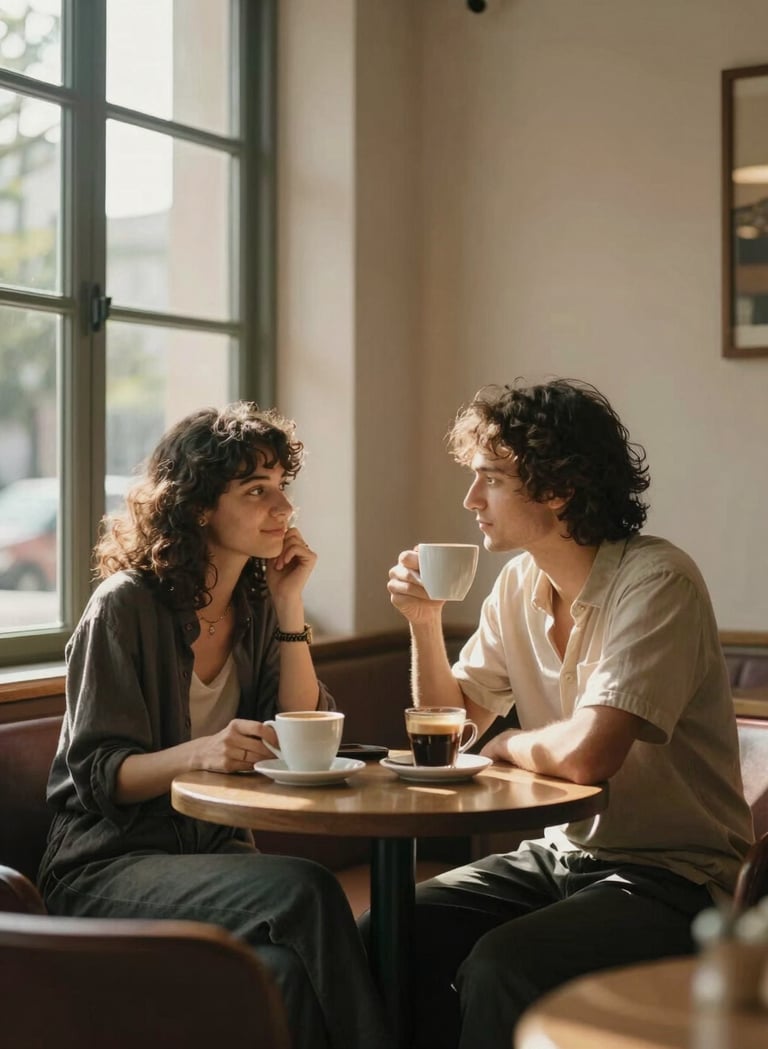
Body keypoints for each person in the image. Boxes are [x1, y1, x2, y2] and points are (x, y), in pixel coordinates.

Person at [387, 378, 753, 1049]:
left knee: (504, 965)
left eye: (490, 480)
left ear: (557, 489)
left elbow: (590, 754)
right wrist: (423, 622)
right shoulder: (519, 584)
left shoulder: (657, 582)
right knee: (393, 927)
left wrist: (506, 746)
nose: (471, 500)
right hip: (559, 856)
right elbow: (446, 724)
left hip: (675, 879)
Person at [38, 402, 390, 1049]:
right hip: (104, 865)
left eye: (282, 487)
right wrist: (200, 751)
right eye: (257, 490)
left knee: (284, 973)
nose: (281, 508)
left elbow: (304, 728)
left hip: (212, 856)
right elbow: (99, 776)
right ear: (198, 504)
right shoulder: (124, 608)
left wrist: (290, 603)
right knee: (308, 887)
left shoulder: (256, 604)